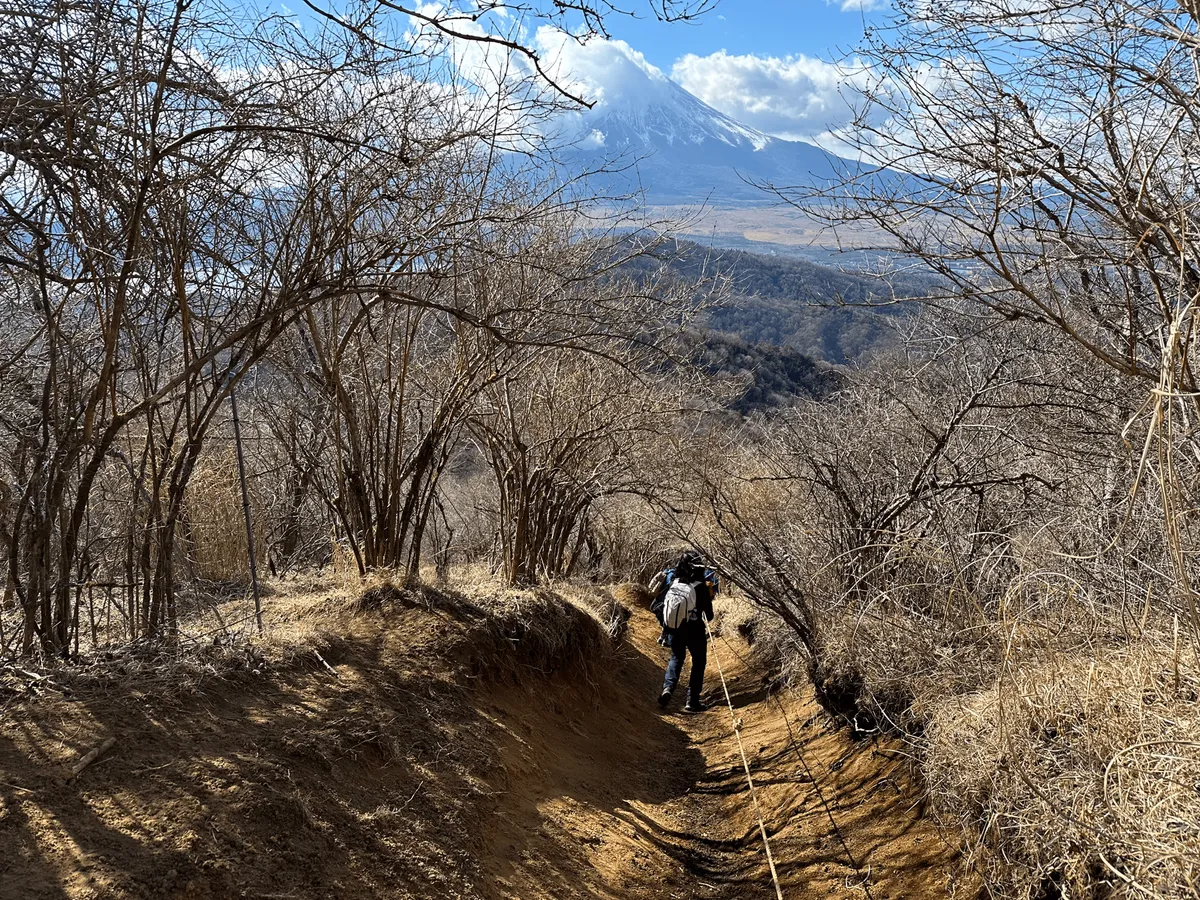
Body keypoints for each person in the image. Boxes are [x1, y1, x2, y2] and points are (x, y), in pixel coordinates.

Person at [649, 550, 718, 712]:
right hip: (695, 631)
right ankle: (692, 701)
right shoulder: (700, 586)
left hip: (674, 629)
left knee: (676, 658)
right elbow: (709, 616)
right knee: (699, 662)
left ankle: (668, 689)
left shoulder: (673, 581)